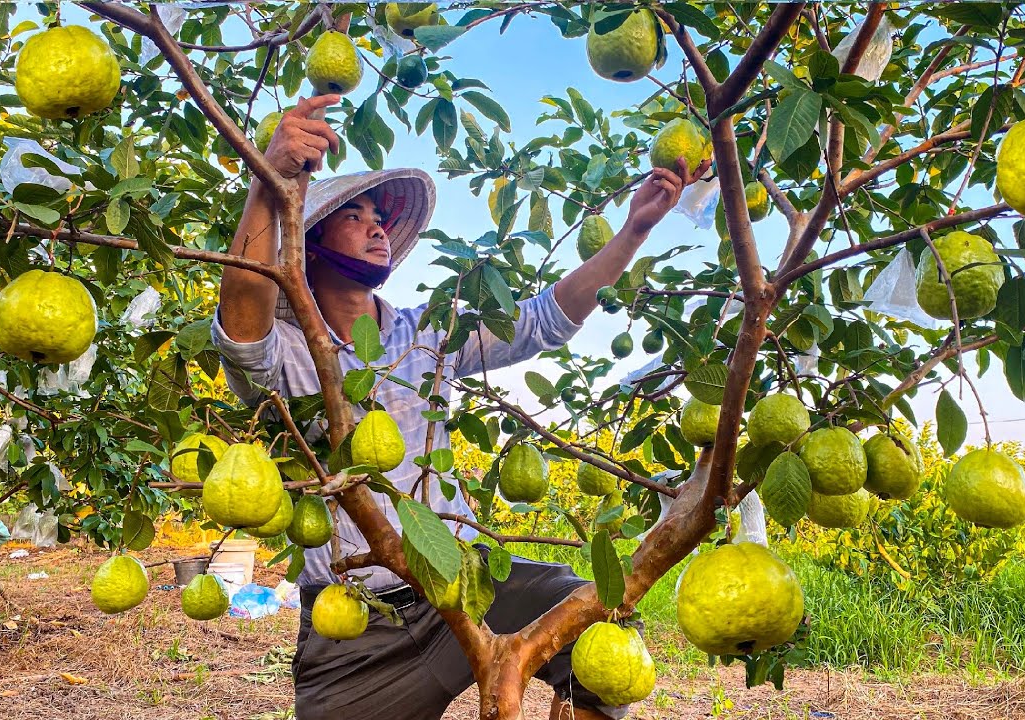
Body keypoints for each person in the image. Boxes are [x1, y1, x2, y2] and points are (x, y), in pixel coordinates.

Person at [213, 95, 708, 720]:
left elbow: (543, 320)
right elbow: (242, 308)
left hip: (467, 583)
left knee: (591, 620)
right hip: (355, 625)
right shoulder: (281, 353)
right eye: (355, 216)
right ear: (304, 246)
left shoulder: (426, 335)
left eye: (380, 219)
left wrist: (634, 230)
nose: (377, 229)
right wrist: (272, 180)